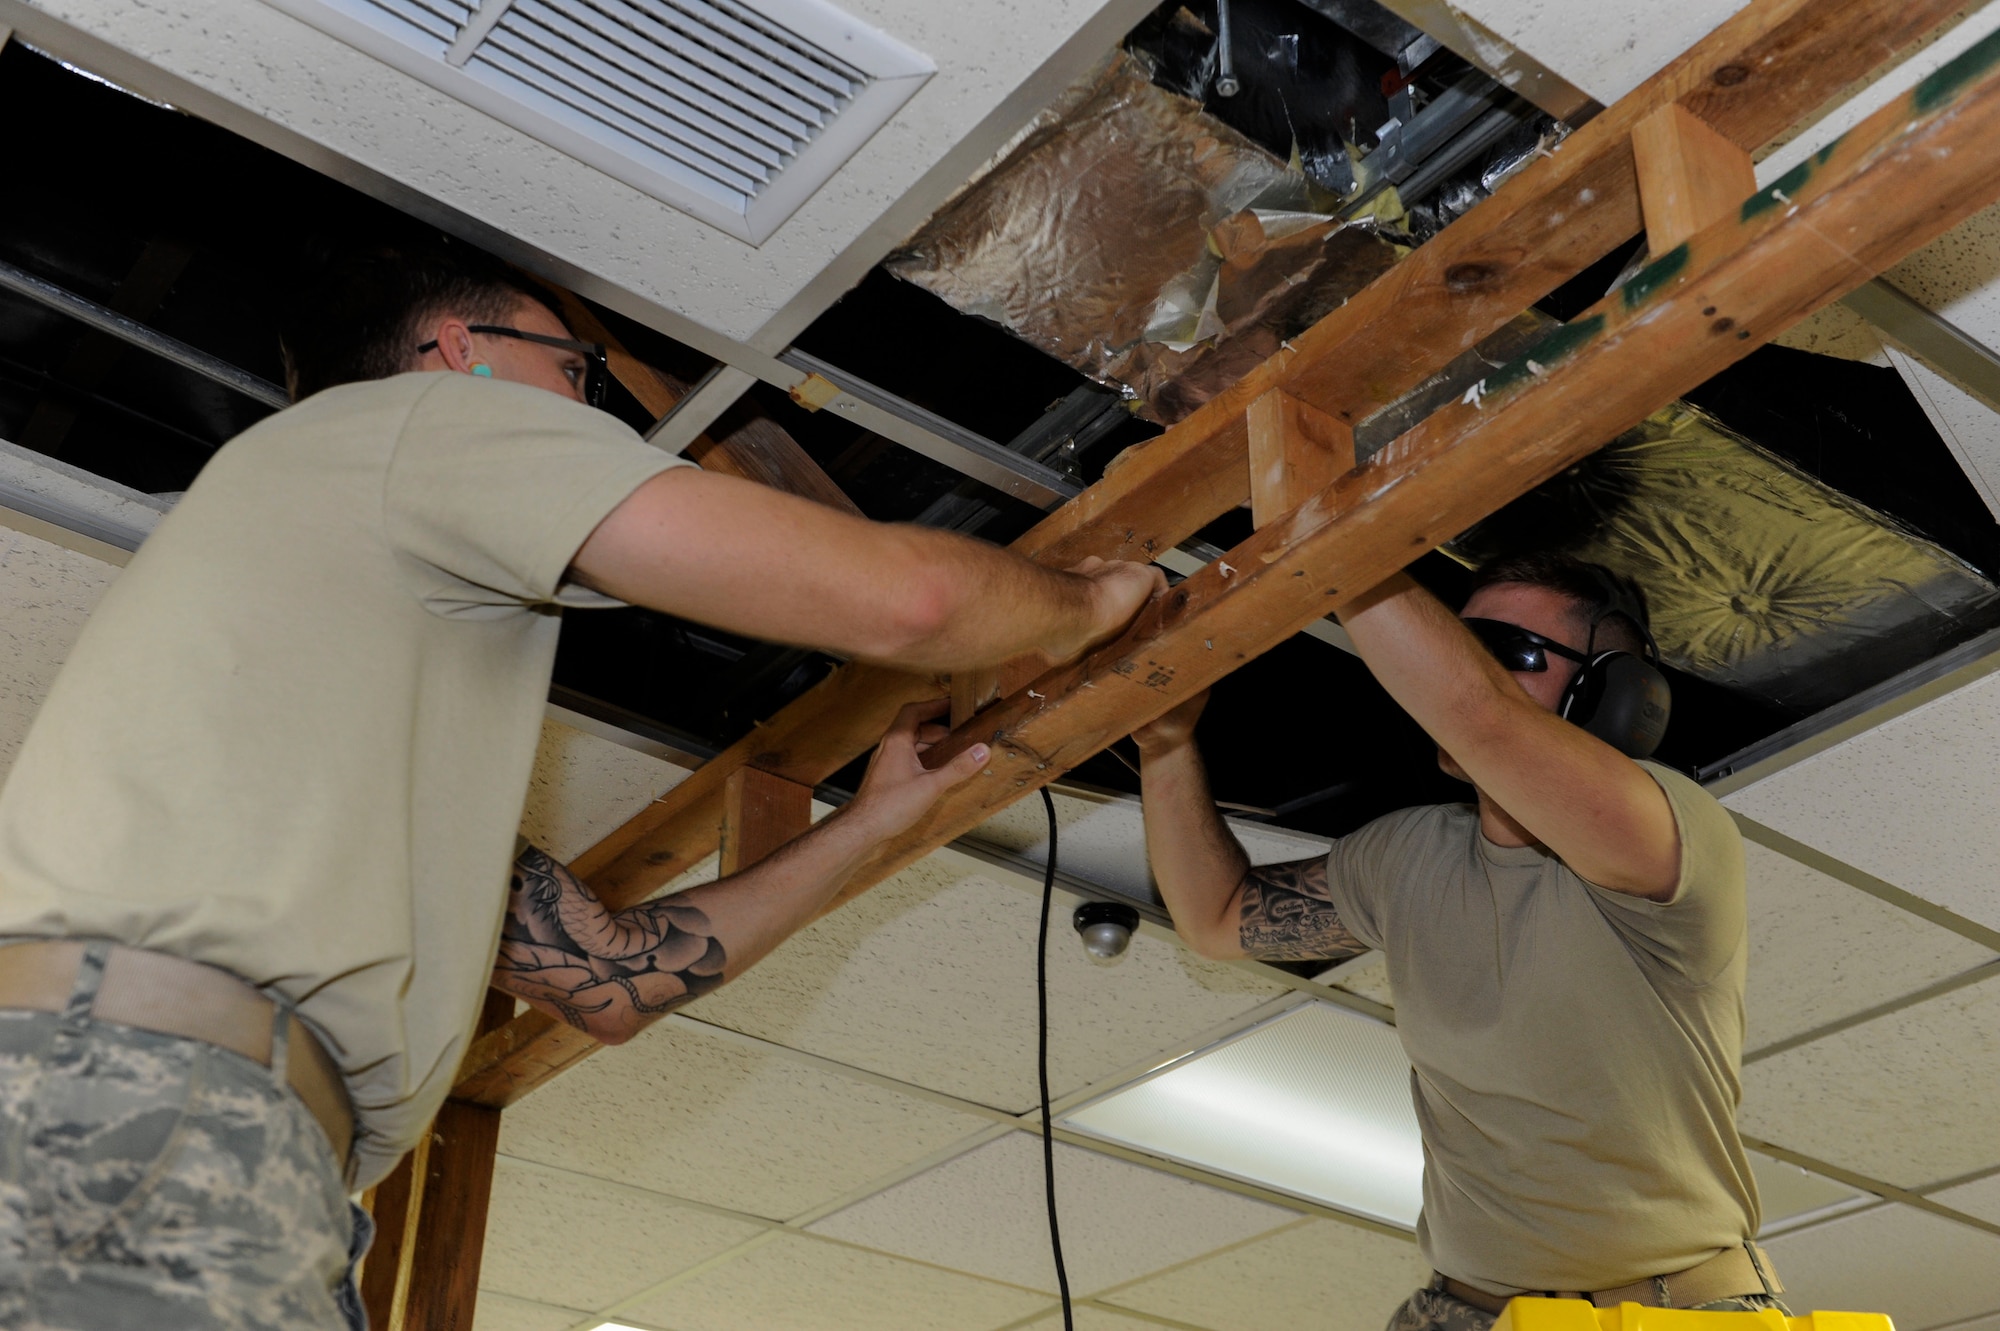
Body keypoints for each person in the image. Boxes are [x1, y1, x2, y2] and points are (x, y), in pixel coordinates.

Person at [0, 243, 1164, 1331]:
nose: (590, 409)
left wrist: (872, 821)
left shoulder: (335, 747)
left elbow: (609, 979)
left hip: (201, 1134)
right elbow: (906, 604)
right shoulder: (409, 421)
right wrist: (1088, 604)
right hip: (139, 1106)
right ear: (462, 353)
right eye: (577, 372)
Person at [1134, 554, 1786, 1329]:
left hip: (1665, 1308)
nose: (1463, 670)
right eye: (1460, 643)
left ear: (1610, 694)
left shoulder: (1670, 831)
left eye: (1505, 652)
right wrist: (1166, 743)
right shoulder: (1406, 857)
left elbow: (1479, 715)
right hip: (1463, 1309)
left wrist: (1325, 538)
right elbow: (1214, 917)